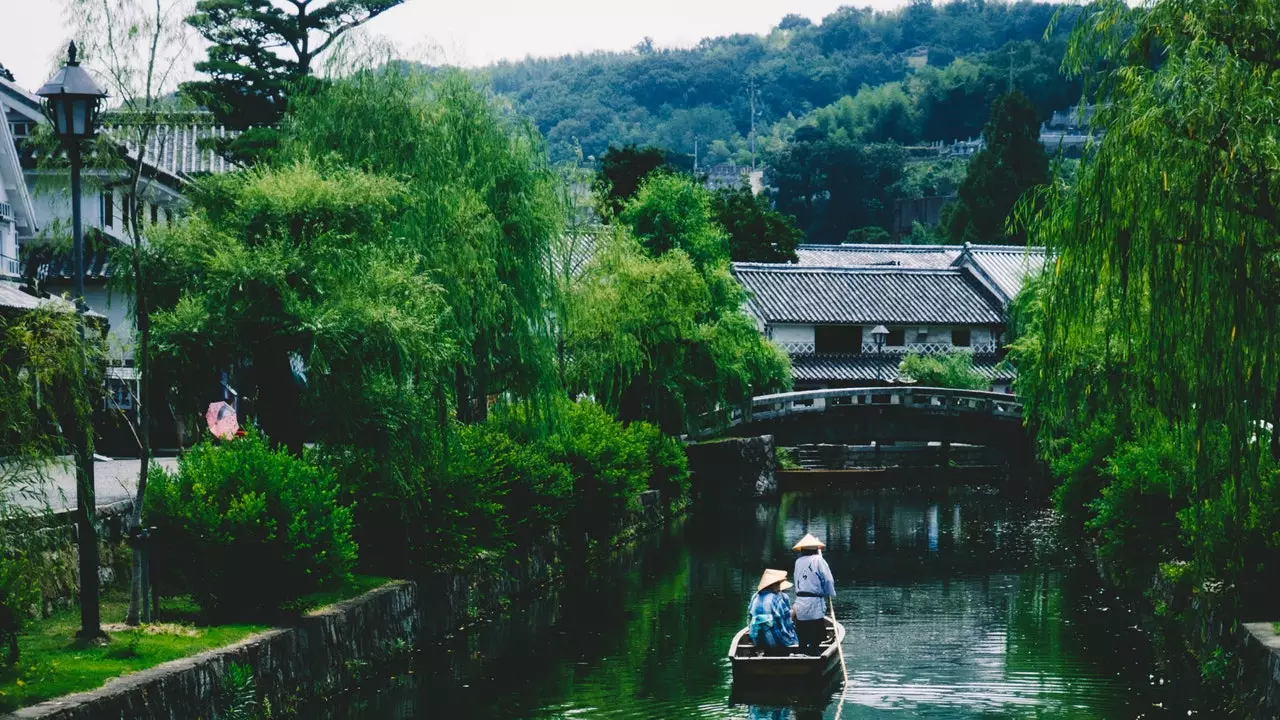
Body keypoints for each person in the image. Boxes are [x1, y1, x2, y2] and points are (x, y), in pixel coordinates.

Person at [791, 533, 835, 656]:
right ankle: (814, 653)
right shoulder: (819, 560)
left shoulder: (798, 561)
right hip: (814, 601)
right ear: (816, 549)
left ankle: (803, 652)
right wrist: (828, 593)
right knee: (816, 634)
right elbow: (827, 580)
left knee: (803, 632)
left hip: (801, 601)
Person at [747, 568, 797, 653]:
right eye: (777, 584)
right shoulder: (776, 599)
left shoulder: (754, 596)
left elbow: (749, 619)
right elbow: (787, 623)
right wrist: (794, 637)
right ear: (771, 585)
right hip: (775, 642)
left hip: (756, 641)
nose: (779, 587)